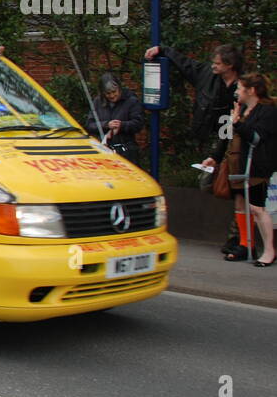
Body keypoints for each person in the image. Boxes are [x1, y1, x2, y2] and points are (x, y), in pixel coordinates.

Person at [145, 41, 242, 250]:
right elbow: (185, 64)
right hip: (212, 136)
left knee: (237, 189)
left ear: (229, 65)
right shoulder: (207, 76)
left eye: (218, 63)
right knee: (208, 182)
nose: (213, 66)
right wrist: (163, 50)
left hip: (233, 140)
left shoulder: (241, 88)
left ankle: (236, 237)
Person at [203, 74, 276, 265]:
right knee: (241, 205)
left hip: (257, 166)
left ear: (251, 90)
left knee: (257, 208)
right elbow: (226, 136)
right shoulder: (242, 109)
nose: (236, 92)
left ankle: (269, 250)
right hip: (238, 164)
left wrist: (237, 123)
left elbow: (257, 138)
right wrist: (215, 157)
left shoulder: (267, 111)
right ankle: (246, 244)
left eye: (240, 88)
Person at [86, 72, 145, 167]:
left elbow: (138, 123)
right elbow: (90, 124)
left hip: (126, 151)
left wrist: (122, 125)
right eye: (108, 93)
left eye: (114, 92)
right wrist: (106, 125)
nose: (112, 96)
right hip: (103, 150)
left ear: (119, 89)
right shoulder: (98, 102)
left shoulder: (131, 101)